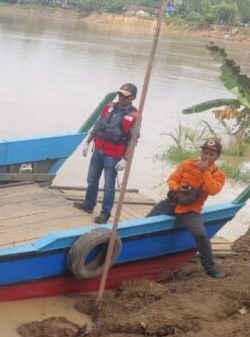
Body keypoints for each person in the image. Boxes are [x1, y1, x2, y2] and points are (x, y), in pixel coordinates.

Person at [147, 139, 226, 278]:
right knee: (146, 224)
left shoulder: (218, 174)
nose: (207, 156)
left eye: (211, 154)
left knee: (201, 235)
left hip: (190, 210)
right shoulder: (187, 163)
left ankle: (210, 267)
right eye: (205, 152)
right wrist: (178, 187)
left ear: (217, 156)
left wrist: (205, 172)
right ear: (201, 152)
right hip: (171, 203)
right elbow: (172, 180)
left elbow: (213, 190)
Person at [74, 83, 139, 224]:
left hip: (114, 155)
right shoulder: (109, 107)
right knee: (92, 179)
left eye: (125, 96)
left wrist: (126, 159)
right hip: (98, 149)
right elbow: (98, 125)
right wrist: (87, 142)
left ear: (133, 97)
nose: (121, 97)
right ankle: (89, 204)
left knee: (109, 185)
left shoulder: (134, 116)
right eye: (120, 94)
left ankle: (105, 213)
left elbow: (133, 140)